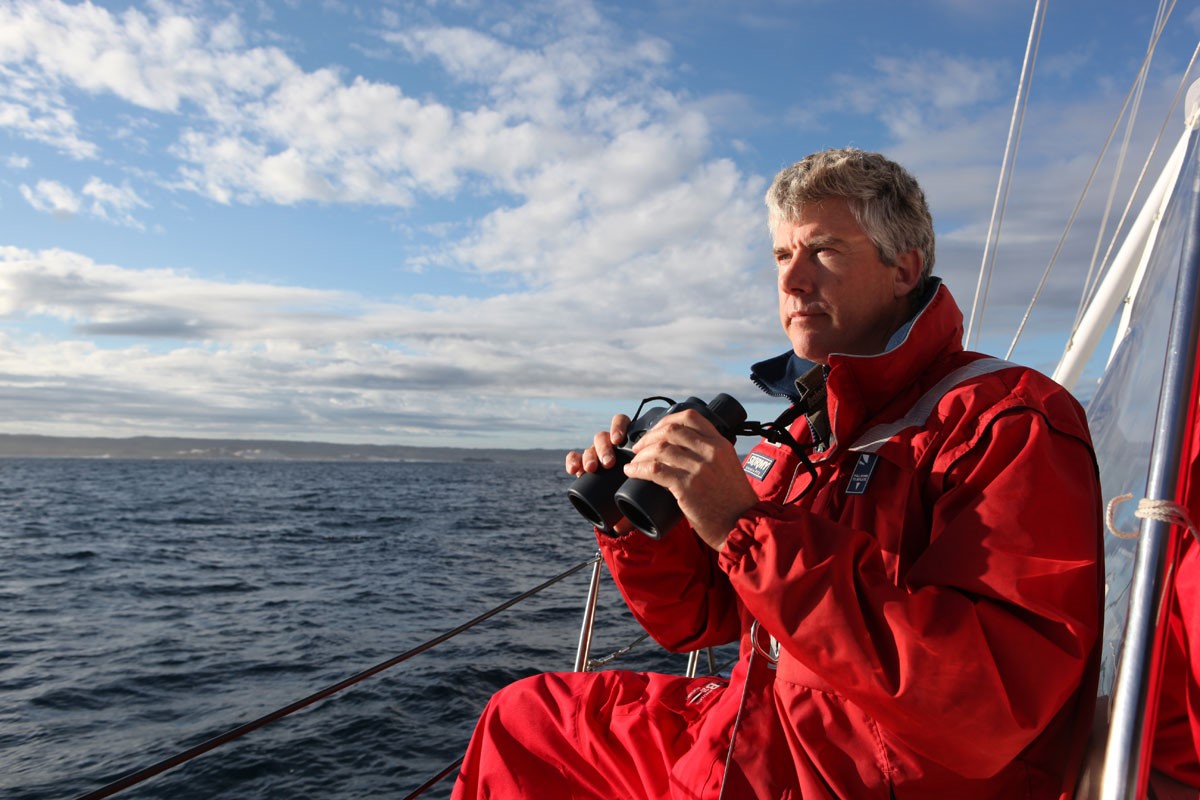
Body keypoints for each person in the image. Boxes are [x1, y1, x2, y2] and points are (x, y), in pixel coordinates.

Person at [450, 147, 1103, 799]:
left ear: (903, 269)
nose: (792, 282)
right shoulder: (797, 433)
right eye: (783, 257)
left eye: (823, 251)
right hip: (757, 736)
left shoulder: (1007, 420)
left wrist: (746, 525)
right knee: (526, 719)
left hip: (862, 775)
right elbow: (700, 618)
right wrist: (643, 527)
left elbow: (988, 704)